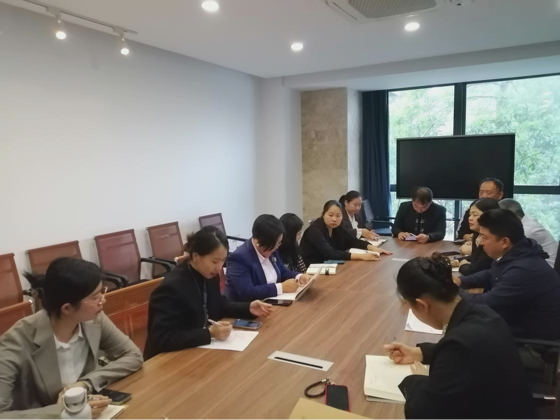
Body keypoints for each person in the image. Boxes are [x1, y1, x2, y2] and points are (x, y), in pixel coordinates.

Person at [383, 255, 534, 420]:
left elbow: (423, 413)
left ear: (422, 305)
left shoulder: (459, 347)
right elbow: (468, 351)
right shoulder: (481, 312)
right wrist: (419, 353)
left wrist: (414, 380)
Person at [0, 258, 143, 418]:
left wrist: (86, 383)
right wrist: (64, 413)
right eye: (95, 297)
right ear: (67, 308)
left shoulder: (94, 320)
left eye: (101, 293)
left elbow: (133, 355)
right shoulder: (16, 341)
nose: (103, 300)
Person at [144, 226, 273, 360]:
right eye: (215, 261)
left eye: (223, 260)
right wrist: (209, 333)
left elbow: (218, 305)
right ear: (196, 256)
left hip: (197, 351)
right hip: (167, 359)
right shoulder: (171, 287)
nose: (219, 267)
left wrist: (248, 308)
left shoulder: (209, 275)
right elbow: (162, 337)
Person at [456, 209, 560, 340]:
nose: (481, 242)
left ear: (505, 242)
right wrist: (461, 281)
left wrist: (450, 291)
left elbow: (487, 303)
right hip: (513, 324)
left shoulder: (523, 269)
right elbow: (490, 274)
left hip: (530, 341)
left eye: (485, 237)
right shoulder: (517, 254)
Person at [225, 215, 312, 302]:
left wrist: (299, 276)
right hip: (248, 307)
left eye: (279, 243)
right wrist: (281, 287)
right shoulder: (239, 258)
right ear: (259, 242)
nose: (277, 247)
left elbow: (283, 271)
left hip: (272, 302)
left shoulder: (271, 249)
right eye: (276, 243)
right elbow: (248, 292)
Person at [300, 200, 391, 265]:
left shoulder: (336, 227)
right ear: (323, 214)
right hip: (312, 269)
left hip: (329, 265)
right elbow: (330, 253)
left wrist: (372, 247)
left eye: (338, 216)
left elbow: (352, 241)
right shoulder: (314, 230)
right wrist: (362, 256)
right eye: (330, 215)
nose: (334, 219)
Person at [499, 199, 557, 268]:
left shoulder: (528, 230)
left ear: (515, 216)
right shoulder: (525, 220)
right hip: (536, 264)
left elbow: (508, 253)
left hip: (548, 267)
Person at [451, 198, 500, 276]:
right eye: (470, 214)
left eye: (475, 215)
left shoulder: (493, 239)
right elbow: (475, 258)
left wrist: (463, 265)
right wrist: (458, 260)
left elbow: (474, 270)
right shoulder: (477, 234)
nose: (470, 218)